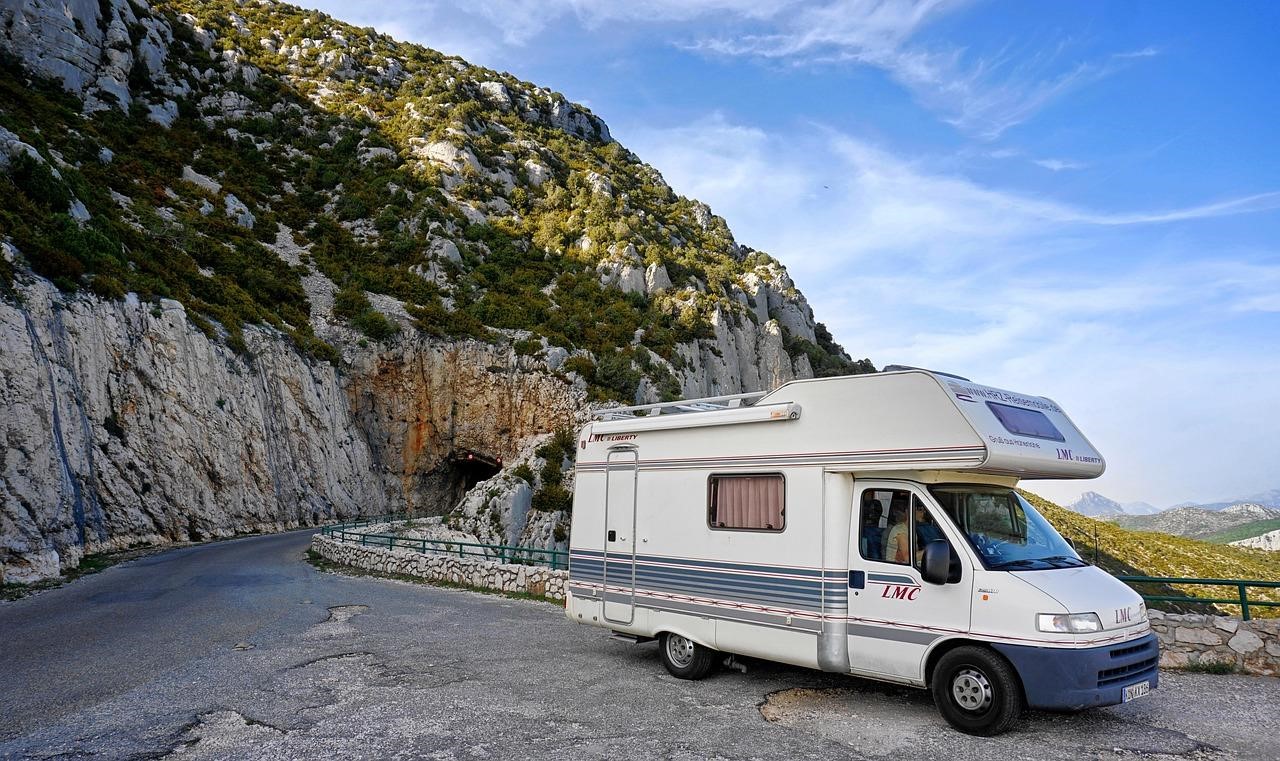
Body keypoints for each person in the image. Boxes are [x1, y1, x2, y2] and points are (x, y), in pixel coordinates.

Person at [883, 498, 911, 564]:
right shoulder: (899, 530)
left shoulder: (911, 529)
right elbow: (907, 558)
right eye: (920, 509)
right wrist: (927, 551)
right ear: (907, 512)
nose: (923, 512)